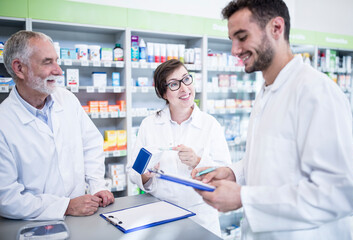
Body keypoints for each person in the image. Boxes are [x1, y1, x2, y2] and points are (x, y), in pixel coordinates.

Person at [192, 0, 353, 239]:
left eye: (242, 37)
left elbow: (339, 195)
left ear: (276, 28)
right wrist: (233, 173)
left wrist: (243, 197)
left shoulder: (317, 94)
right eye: (232, 40)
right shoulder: (267, 92)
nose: (235, 51)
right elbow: (273, 163)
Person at [0, 30, 114, 220]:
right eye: (47, 62)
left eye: (56, 60)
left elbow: (91, 143)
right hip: (31, 225)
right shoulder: (4, 122)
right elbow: (7, 198)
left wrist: (97, 185)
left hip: (83, 216)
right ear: (19, 68)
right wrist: (65, 206)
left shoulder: (66, 99)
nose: (59, 71)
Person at [127, 59, 231, 236]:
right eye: (174, 84)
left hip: (201, 217)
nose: (184, 89)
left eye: (186, 79)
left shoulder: (210, 124)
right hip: (161, 214)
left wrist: (197, 161)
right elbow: (133, 171)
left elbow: (226, 175)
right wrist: (146, 174)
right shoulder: (149, 125)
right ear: (163, 93)